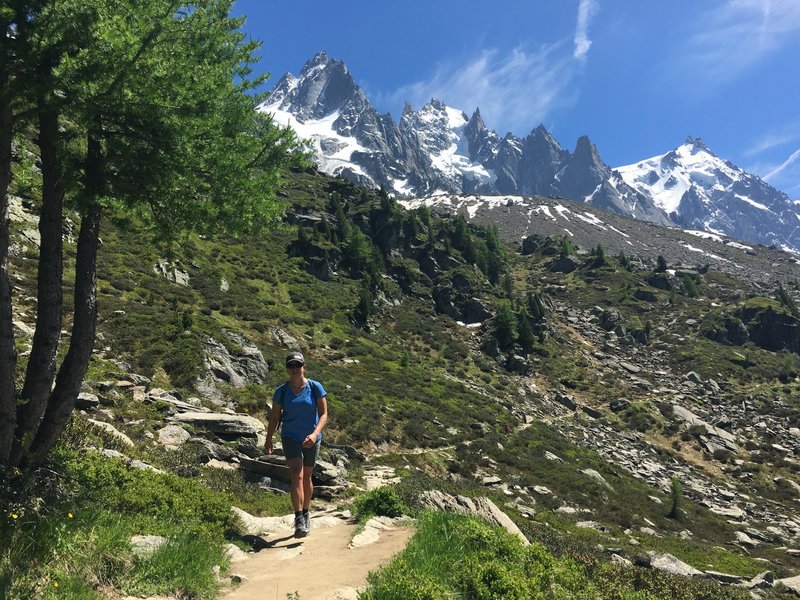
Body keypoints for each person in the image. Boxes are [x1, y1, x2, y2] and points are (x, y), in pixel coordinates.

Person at [265, 351, 328, 538]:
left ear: (304, 367)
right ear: (287, 368)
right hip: (290, 436)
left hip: (312, 437)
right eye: (291, 366)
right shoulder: (281, 391)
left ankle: (306, 512)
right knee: (296, 473)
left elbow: (324, 414)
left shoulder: (315, 387)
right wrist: (268, 439)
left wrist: (315, 434)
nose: (294, 369)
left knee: (307, 476)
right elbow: (275, 417)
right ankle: (299, 517)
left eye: (297, 365)